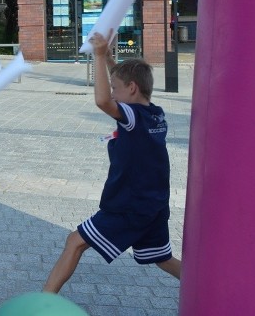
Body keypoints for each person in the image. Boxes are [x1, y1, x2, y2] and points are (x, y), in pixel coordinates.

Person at [43, 29, 181, 293]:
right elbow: (125, 82)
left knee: (75, 242)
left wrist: (97, 56)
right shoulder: (155, 114)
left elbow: (103, 100)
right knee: (163, 258)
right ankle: (208, 290)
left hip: (128, 207)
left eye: (118, 89)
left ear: (131, 89)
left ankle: (42, 303)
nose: (115, 94)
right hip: (154, 205)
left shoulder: (131, 117)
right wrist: (108, 58)